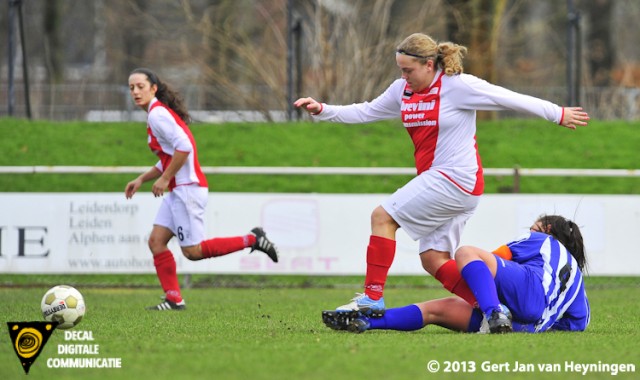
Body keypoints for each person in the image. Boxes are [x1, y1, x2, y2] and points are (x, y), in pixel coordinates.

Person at [294, 33, 590, 315]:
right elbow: (367, 111)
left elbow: (506, 98)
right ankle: (495, 308)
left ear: (429, 64)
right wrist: (322, 109)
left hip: (456, 178)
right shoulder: (403, 90)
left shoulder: (457, 85)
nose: (403, 76)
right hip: (451, 185)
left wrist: (557, 113)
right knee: (433, 260)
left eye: (408, 70)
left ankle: (372, 298)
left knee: (382, 217)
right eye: (400, 70)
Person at [125, 68, 279, 311]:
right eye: (131, 87)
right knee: (156, 241)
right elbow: (169, 155)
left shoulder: (157, 115)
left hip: (187, 189)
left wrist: (165, 179)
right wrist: (142, 179)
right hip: (178, 189)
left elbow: (184, 147)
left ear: (153, 88)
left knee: (193, 252)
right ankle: (174, 299)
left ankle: (253, 239)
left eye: (140, 86)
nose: (135, 91)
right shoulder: (156, 114)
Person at [322, 214, 590, 334]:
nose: (530, 231)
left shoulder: (544, 241)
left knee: (466, 253)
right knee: (438, 309)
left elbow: (493, 257)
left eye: (534, 227)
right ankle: (367, 322)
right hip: (529, 327)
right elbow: (580, 322)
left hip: (525, 296)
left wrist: (482, 292)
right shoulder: (576, 283)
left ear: (547, 231)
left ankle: (493, 312)